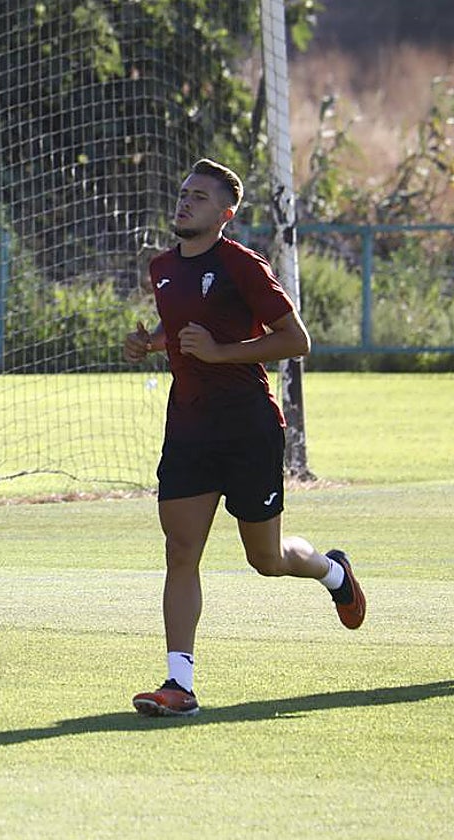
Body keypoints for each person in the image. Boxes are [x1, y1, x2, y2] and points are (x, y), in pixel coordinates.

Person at [123, 158, 366, 717]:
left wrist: (222, 353)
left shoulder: (243, 265)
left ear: (225, 213)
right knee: (181, 551)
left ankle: (332, 571)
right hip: (188, 428)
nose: (185, 202)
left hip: (249, 428)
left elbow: (296, 341)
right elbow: (184, 327)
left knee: (267, 557)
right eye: (184, 193)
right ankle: (178, 684)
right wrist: (152, 343)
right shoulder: (162, 267)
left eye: (200, 197)